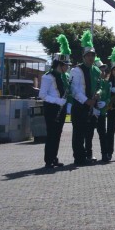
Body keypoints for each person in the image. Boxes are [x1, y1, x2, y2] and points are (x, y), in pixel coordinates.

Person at [69, 29, 102, 165]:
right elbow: (74, 90)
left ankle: (89, 154)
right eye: (88, 55)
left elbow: (100, 85)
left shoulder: (97, 70)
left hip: (92, 105)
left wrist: (98, 94)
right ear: (83, 57)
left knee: (89, 133)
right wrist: (86, 100)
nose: (91, 58)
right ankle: (79, 157)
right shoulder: (76, 70)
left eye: (92, 55)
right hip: (80, 106)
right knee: (78, 133)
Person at [38, 35, 71, 169]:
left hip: (61, 109)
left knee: (57, 134)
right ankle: (48, 160)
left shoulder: (63, 77)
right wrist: (58, 101)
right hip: (51, 109)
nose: (67, 68)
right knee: (51, 134)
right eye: (66, 65)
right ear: (60, 65)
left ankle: (54, 157)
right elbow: (42, 95)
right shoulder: (48, 77)